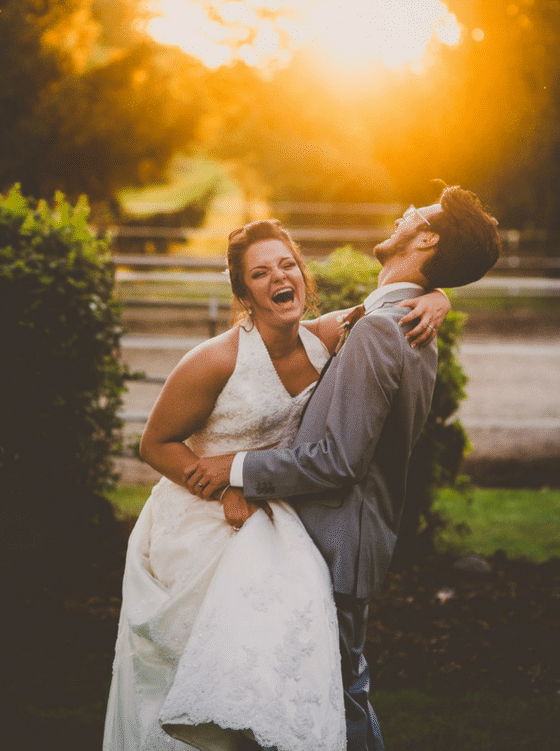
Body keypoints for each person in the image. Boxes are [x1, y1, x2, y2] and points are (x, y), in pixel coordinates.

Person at [103, 218, 450, 751]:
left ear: (303, 276)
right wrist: (227, 488)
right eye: (260, 273)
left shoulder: (328, 335)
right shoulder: (215, 360)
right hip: (205, 520)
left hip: (276, 515)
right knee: (216, 671)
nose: (278, 278)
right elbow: (154, 445)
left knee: (301, 674)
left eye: (287, 265)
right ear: (243, 293)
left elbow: (390, 301)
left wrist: (438, 298)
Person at [185, 184, 502, 751]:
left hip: (336, 544)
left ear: (426, 237)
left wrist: (233, 465)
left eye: (419, 212)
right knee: (320, 697)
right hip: (333, 541)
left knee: (338, 699)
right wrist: (440, 294)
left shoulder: (387, 329)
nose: (406, 210)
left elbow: (336, 459)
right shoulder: (393, 316)